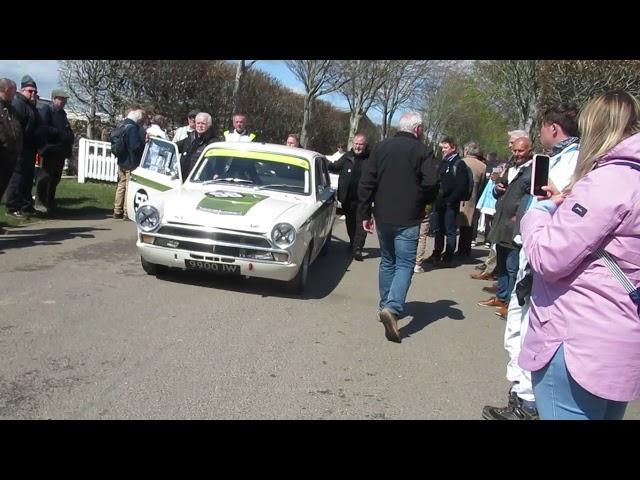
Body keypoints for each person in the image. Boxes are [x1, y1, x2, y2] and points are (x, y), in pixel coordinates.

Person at [517, 91, 640, 420]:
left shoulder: (606, 182)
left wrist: (538, 213)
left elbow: (549, 256)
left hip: (577, 342)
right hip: (622, 337)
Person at [483, 102, 580, 421]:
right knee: (519, 323)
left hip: (542, 256)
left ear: (553, 128)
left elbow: (557, 210)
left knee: (524, 326)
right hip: (534, 249)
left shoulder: (572, 162)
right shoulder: (558, 159)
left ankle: (525, 402)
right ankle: (522, 396)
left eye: (541, 128)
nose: (538, 135)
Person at [359, 112, 439, 343]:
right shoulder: (422, 151)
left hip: (383, 214)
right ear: (417, 129)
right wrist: (423, 201)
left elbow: (367, 181)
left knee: (387, 261)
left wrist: (365, 212)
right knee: (404, 264)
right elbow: (432, 182)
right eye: (422, 128)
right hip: (409, 216)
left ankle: (385, 304)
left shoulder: (381, 147)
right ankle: (392, 308)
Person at [478, 137, 533, 317]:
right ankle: (500, 297)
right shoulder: (510, 168)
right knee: (501, 265)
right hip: (501, 222)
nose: (516, 154)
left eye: (521, 151)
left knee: (512, 267)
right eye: (515, 150)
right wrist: (497, 189)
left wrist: (522, 215)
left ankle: (511, 304)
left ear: (529, 150)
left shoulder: (532, 171)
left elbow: (532, 197)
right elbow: (496, 190)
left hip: (515, 226)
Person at [5, 75, 44, 217]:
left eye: (35, 91)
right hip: (20, 149)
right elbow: (16, 128)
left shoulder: (31, 106)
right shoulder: (18, 105)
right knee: (17, 178)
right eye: (30, 91)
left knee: (28, 178)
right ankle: (12, 206)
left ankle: (26, 205)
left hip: (30, 148)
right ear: (22, 91)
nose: (33, 94)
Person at [426, 137, 469, 266]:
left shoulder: (459, 164)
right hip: (439, 202)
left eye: (445, 147)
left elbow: (461, 186)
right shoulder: (443, 162)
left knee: (450, 230)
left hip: (450, 204)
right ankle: (436, 253)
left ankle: (448, 257)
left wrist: (451, 200)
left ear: (453, 148)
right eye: (442, 147)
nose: (443, 150)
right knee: (438, 230)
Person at [327, 133, 370, 261]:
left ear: (365, 145)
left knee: (361, 224)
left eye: (360, 144)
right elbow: (335, 167)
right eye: (356, 144)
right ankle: (353, 242)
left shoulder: (371, 158)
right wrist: (324, 162)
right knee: (350, 222)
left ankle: (358, 248)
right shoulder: (347, 156)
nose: (357, 146)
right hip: (347, 198)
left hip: (363, 199)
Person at [36, 89, 74, 214]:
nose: (63, 102)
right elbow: (43, 127)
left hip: (60, 150)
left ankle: (50, 201)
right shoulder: (47, 110)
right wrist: (56, 132)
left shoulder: (62, 114)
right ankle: (40, 202)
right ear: (54, 99)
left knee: (56, 177)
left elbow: (66, 128)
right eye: (61, 99)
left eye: (65, 100)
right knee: (45, 176)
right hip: (50, 149)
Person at [113, 108, 146, 219]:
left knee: (121, 186)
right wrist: (143, 144)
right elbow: (134, 146)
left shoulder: (123, 125)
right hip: (130, 162)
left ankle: (117, 210)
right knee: (129, 187)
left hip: (121, 160)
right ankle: (127, 212)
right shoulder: (132, 128)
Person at [457, 141, 487, 258]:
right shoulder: (482, 166)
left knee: (457, 225)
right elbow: (483, 184)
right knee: (469, 226)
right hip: (473, 198)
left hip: (460, 198)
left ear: (466, 151)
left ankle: (455, 251)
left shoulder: (461, 162)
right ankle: (465, 250)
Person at [0, 79, 22, 233]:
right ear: (6, 89)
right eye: (14, 91)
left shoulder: (11, 109)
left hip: (10, 156)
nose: (15, 94)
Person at [177, 112, 217, 180]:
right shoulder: (190, 138)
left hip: (199, 182)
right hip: (182, 179)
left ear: (209, 125)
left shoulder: (213, 143)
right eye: (198, 123)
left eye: (203, 123)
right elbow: (174, 146)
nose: (200, 126)